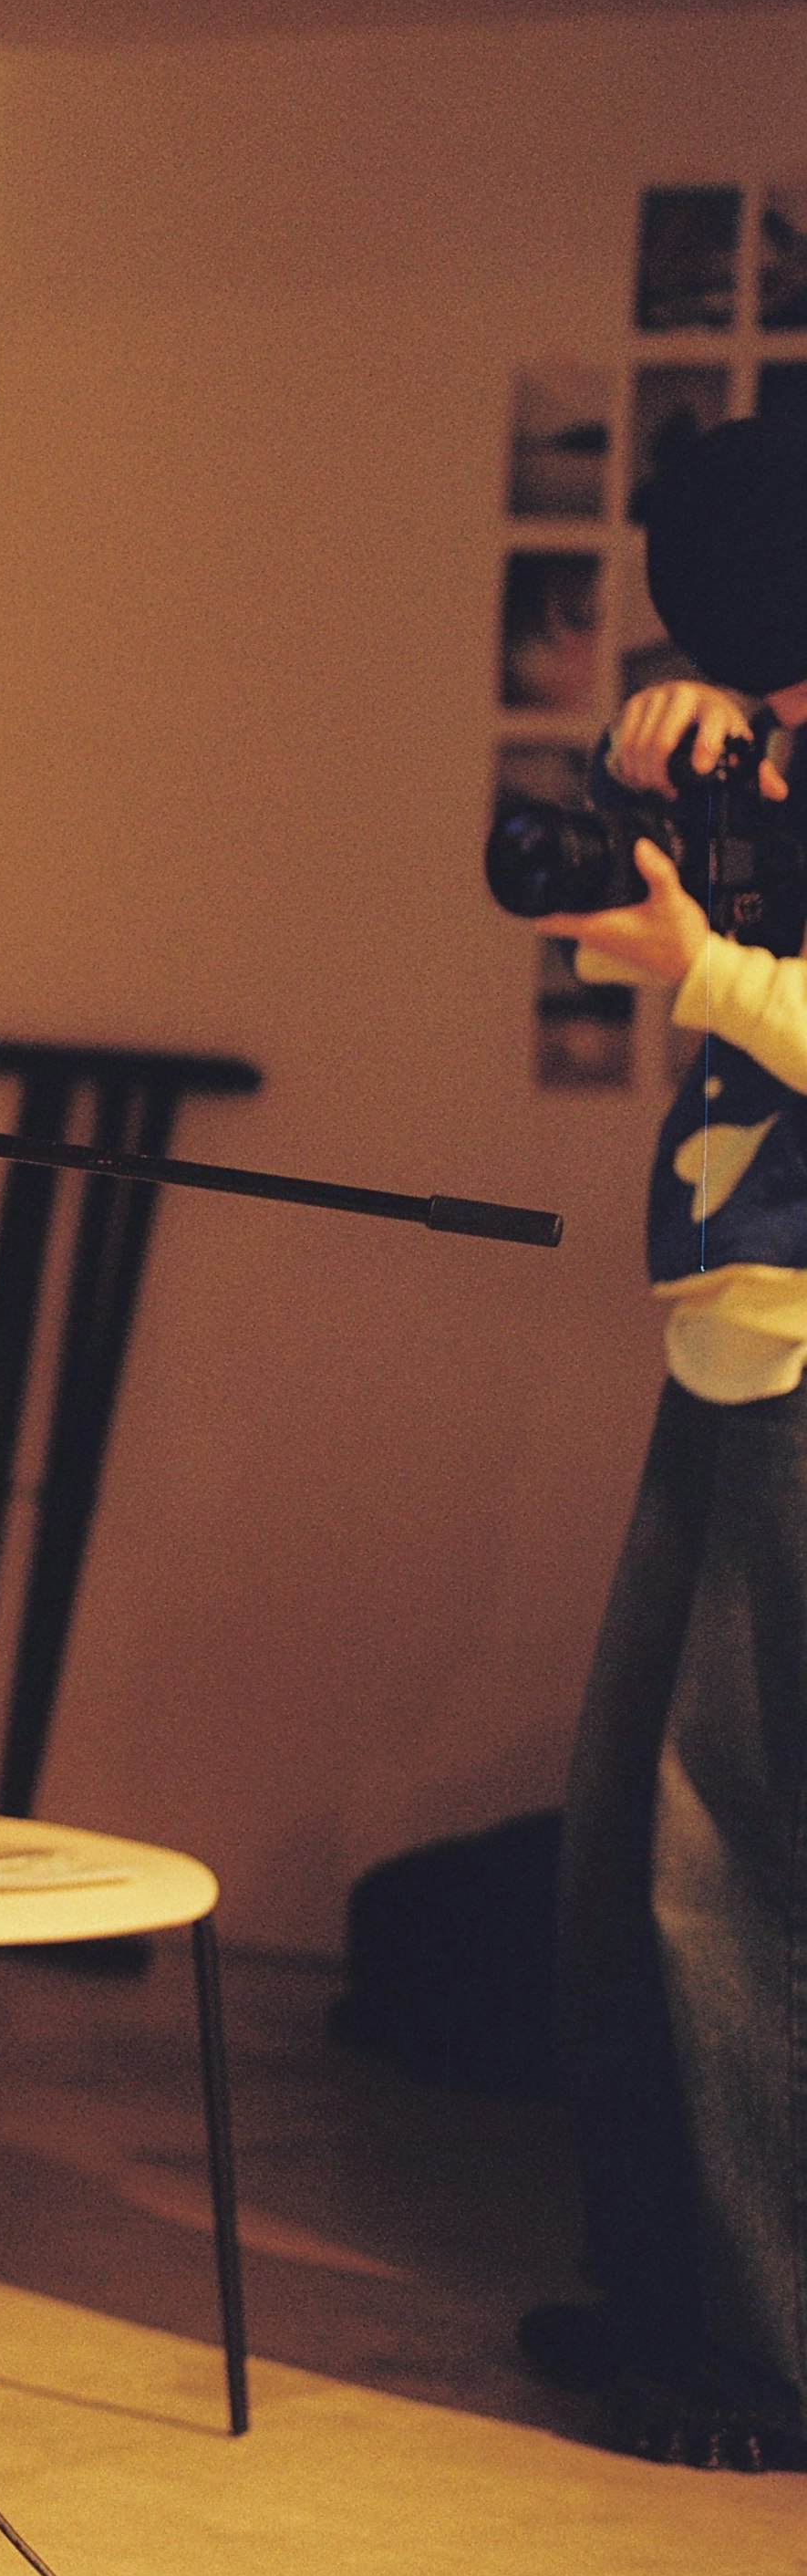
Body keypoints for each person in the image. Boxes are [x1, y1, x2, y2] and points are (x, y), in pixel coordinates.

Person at [518, 410, 807, 2469]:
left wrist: (701, 966)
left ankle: (760, 2359)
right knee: (635, 1836)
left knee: (742, 1873)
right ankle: (672, 2286)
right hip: (727, 1327)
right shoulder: (770, 746)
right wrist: (716, 758)